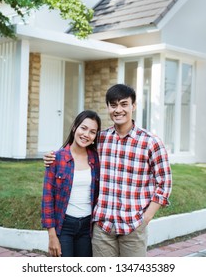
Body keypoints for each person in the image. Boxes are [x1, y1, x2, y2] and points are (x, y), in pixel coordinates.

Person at [44, 84, 172, 257]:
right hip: (102, 228)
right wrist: (52, 157)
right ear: (108, 108)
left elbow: (164, 184)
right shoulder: (101, 139)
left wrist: (146, 218)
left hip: (133, 227)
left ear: (133, 106)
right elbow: (76, 151)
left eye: (124, 104)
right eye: (113, 105)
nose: (118, 110)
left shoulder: (151, 142)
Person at [41, 110, 101, 257]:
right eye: (83, 128)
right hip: (64, 226)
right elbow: (47, 198)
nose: (86, 134)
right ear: (74, 127)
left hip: (87, 227)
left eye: (92, 132)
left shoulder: (97, 159)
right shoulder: (56, 158)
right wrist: (52, 236)